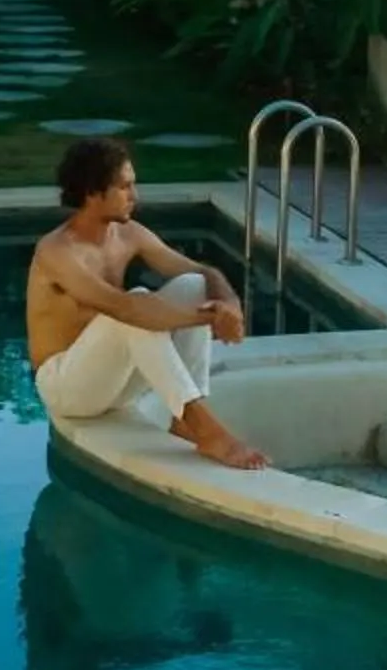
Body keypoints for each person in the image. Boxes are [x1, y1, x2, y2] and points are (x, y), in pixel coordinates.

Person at [27, 136, 266, 469]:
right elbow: (125, 309)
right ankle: (204, 428)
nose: (134, 197)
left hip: (114, 382)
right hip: (67, 388)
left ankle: (182, 423)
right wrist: (209, 320)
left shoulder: (129, 234)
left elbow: (203, 271)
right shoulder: (57, 251)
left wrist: (228, 305)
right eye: (124, 187)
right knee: (134, 304)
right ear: (93, 193)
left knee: (194, 285)